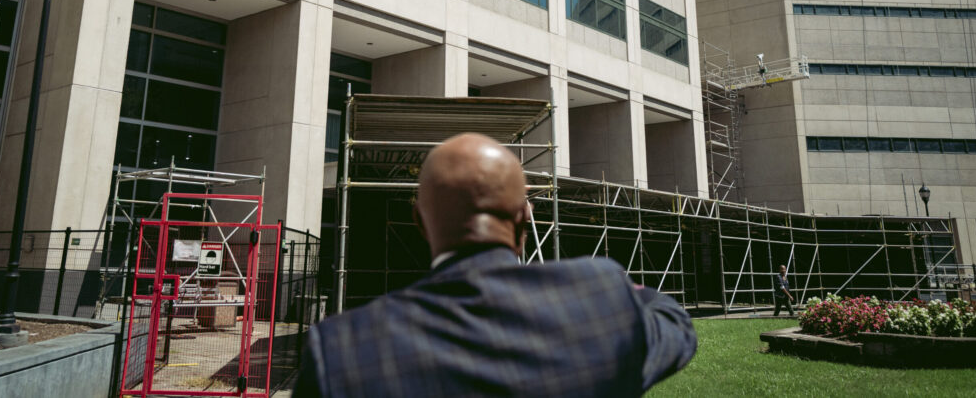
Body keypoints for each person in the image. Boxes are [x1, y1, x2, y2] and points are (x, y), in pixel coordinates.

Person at [295, 133, 696, 397]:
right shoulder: (602, 297)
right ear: (524, 218)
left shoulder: (339, 352)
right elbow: (674, 323)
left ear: (419, 222)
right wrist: (623, 290)